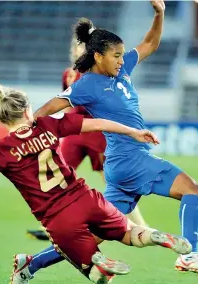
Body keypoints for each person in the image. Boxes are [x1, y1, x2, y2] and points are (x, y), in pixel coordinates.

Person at [0, 75, 192, 284]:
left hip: (59, 218)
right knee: (130, 234)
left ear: (1, 119)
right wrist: (132, 131)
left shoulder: (0, 149)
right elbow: (95, 124)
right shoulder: (47, 125)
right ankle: (150, 237)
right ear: (28, 111)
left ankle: (96, 263)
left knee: (99, 276)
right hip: (88, 199)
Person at [30, 0, 198, 276]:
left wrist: (159, 13)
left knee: (91, 237)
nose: (121, 59)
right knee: (193, 190)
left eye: (122, 54)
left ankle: (30, 264)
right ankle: (192, 255)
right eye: (116, 55)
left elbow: (150, 44)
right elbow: (47, 109)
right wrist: (30, 132)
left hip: (122, 163)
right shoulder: (86, 85)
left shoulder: (122, 68)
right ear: (98, 57)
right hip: (131, 160)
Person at [27, 36, 148, 241]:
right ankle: (54, 225)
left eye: (81, 46)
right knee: (59, 173)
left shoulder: (98, 74)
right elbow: (65, 101)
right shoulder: (68, 74)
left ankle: (141, 225)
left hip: (97, 131)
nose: (77, 49)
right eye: (75, 46)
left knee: (113, 180)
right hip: (75, 132)